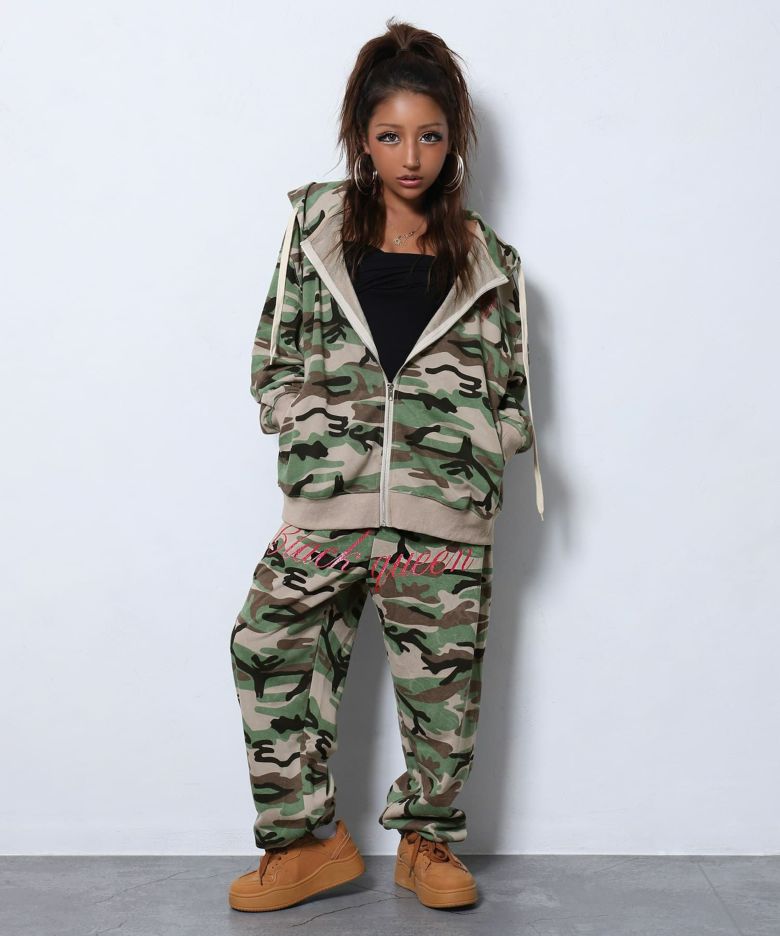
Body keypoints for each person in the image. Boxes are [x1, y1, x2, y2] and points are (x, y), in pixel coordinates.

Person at [228, 17, 544, 913]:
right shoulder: (315, 231)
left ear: (455, 139)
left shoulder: (489, 258)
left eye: (431, 136)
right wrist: (301, 423)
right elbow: (273, 355)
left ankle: (427, 844)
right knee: (266, 646)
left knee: (442, 688)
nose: (412, 158)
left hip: (442, 512)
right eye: (391, 135)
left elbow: (513, 390)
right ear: (362, 138)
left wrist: (486, 445)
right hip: (326, 505)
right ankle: (305, 844)